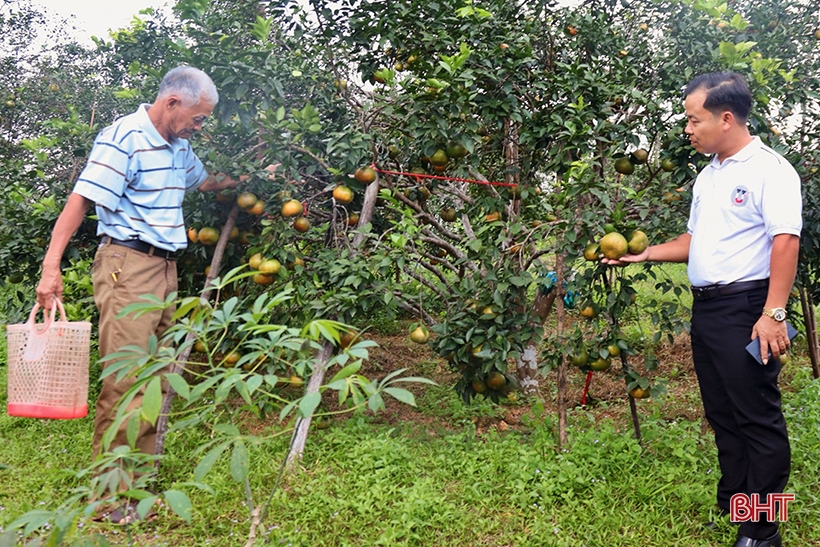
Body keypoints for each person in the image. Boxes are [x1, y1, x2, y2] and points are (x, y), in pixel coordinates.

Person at [35, 66, 245, 510]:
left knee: (155, 378)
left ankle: (137, 486)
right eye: (198, 117)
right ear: (172, 103)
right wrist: (50, 268)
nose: (199, 126)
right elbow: (82, 199)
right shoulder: (124, 136)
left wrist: (249, 175)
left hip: (164, 269)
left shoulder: (179, 146)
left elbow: (205, 182)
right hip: (126, 265)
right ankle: (113, 496)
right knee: (127, 379)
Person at [605, 72, 801, 547]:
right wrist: (646, 253)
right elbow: (694, 242)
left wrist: (773, 314)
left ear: (726, 118)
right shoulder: (709, 174)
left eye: (694, 120)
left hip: (749, 306)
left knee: (757, 416)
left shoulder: (770, 171)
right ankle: (736, 501)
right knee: (723, 412)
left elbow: (786, 241)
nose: (688, 129)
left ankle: (762, 528)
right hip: (709, 309)